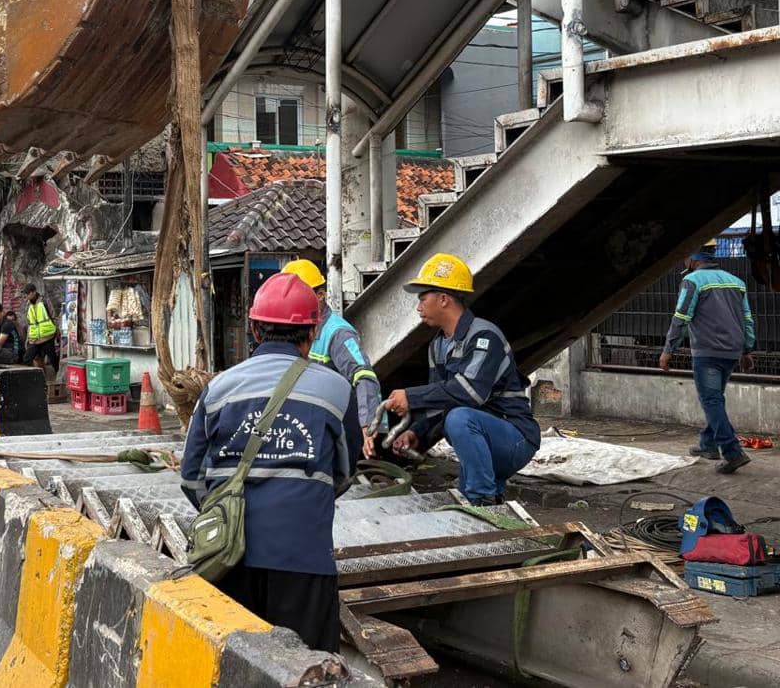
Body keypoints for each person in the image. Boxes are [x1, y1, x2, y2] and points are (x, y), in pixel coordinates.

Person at [181, 272, 362, 653]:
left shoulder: (219, 388)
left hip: (226, 558)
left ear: (254, 329)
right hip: (304, 556)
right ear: (312, 332)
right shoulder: (336, 389)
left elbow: (193, 476)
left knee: (231, 663)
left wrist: (227, 513)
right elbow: (344, 473)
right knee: (307, 667)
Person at [383, 253, 540, 506]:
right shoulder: (437, 346)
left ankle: (483, 500)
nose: (418, 307)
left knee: (459, 418)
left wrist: (410, 397)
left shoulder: (484, 336)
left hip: (515, 437)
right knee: (466, 490)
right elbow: (439, 403)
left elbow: (469, 392)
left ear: (443, 299)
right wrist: (417, 433)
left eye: (423, 298)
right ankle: (489, 500)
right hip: (483, 437)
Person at [660, 240, 755, 474]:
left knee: (711, 400)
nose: (684, 261)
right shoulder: (736, 282)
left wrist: (668, 350)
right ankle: (708, 445)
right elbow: (748, 319)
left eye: (685, 256)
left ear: (693, 258)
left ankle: (732, 452)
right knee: (715, 398)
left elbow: (681, 317)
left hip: (708, 352)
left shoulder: (692, 281)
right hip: (732, 351)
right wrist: (747, 350)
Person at [282, 259, 383, 454]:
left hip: (338, 422)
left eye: (299, 298)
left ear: (320, 296)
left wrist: (367, 424)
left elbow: (364, 375)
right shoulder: (295, 328)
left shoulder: (338, 333)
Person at [22, 283, 59, 376]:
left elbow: (53, 315)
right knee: (27, 359)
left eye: (27, 293)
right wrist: (28, 338)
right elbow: (29, 323)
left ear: (34, 292)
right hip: (34, 339)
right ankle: (33, 379)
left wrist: (58, 331)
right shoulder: (28, 305)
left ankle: (58, 378)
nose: (26, 296)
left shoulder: (44, 301)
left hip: (47, 336)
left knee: (52, 359)